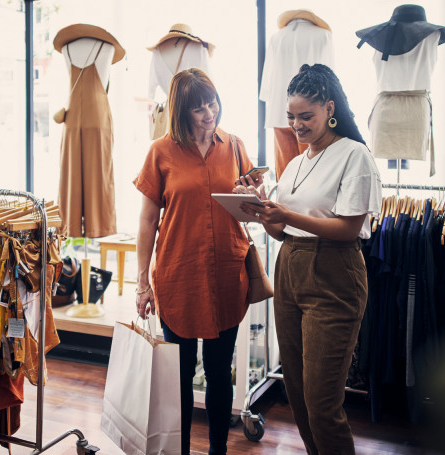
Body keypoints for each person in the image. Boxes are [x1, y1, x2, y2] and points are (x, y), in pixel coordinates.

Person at [239, 64, 382, 454]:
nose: (297, 125)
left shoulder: (354, 155)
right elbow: (281, 231)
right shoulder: (297, 163)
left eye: (306, 117)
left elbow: (349, 228)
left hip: (334, 274)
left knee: (322, 403)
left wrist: (286, 215)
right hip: (290, 269)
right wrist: (261, 209)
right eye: (291, 117)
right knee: (298, 395)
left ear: (329, 109)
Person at [133, 68, 262, 455]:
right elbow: (146, 220)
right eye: (198, 108)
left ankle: (218, 451)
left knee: (221, 373)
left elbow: (251, 208)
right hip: (178, 276)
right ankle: (182, 451)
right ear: (181, 112)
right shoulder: (160, 152)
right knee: (181, 377)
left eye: (212, 102)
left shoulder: (235, 146)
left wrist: (254, 194)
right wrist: (142, 282)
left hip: (227, 274)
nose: (209, 113)